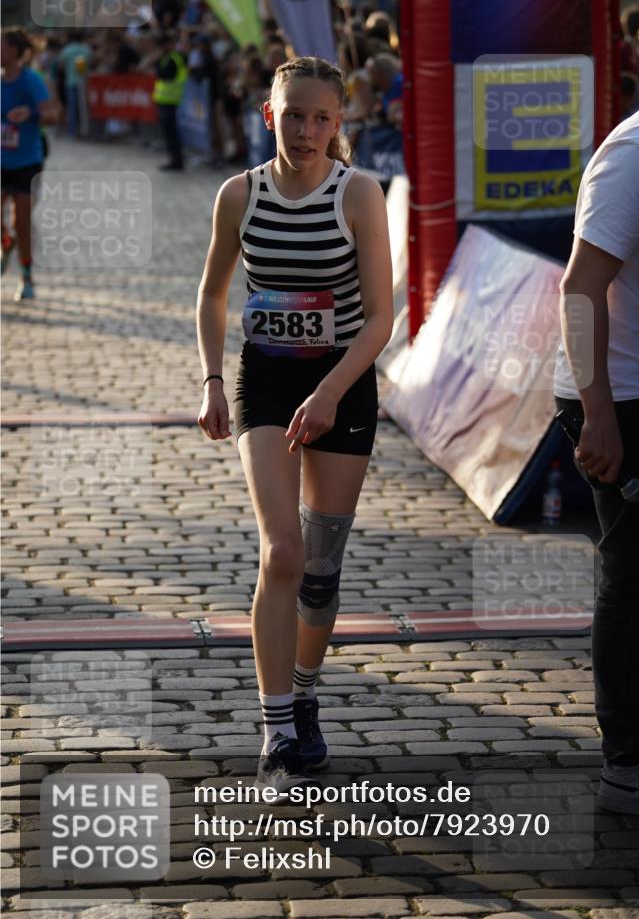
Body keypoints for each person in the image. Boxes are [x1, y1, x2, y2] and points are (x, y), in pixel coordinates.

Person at [196, 56, 393, 792]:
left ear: (338, 122)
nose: (306, 130)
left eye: (320, 118)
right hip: (268, 380)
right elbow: (212, 294)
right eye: (293, 115)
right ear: (268, 115)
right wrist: (213, 381)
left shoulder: (359, 193)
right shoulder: (238, 194)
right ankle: (277, 728)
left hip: (343, 381)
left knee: (318, 568)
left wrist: (332, 392)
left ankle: (305, 692)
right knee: (281, 551)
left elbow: (381, 317)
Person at [554, 94, 639, 821]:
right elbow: (579, 289)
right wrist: (597, 415)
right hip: (621, 394)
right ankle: (626, 762)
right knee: (635, 577)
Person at [1, 27, 58, 300]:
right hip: (1, 160)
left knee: (21, 221)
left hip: (27, 161)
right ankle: (6, 241)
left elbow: (53, 115)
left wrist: (31, 114)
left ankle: (26, 277)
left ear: (13, 51)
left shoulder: (31, 80)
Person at [152, 33, 187, 171]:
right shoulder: (167, 58)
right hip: (166, 101)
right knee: (169, 133)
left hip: (171, 101)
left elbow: (165, 75)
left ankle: (176, 161)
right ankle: (174, 159)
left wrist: (156, 63)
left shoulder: (173, 59)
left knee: (172, 134)